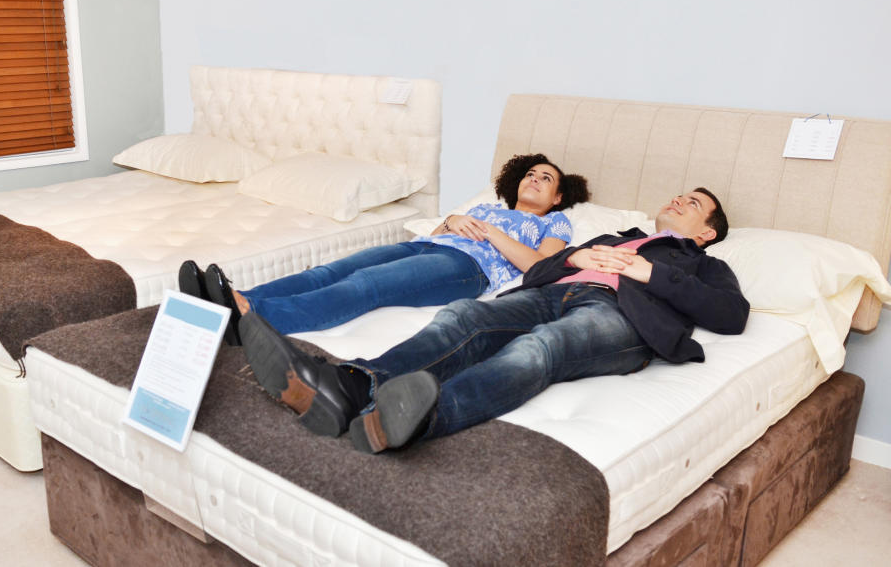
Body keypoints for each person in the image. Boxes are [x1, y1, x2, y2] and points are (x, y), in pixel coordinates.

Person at [238, 187, 750, 453]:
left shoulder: (704, 265)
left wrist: (649, 272)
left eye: (694, 205)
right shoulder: (611, 238)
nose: (679, 201)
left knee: (538, 350)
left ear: (706, 233)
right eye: (679, 195)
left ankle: (417, 420)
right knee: (465, 316)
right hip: (558, 292)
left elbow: (732, 316)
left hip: (619, 319)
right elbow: (540, 270)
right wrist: (576, 260)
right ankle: (352, 385)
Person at [179, 153, 589, 344]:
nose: (534, 179)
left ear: (557, 196)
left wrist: (493, 235)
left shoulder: (553, 222)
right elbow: (434, 230)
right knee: (330, 270)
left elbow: (539, 265)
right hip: (427, 244)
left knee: (366, 285)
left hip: (467, 267)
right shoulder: (486, 206)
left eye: (546, 178)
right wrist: (451, 222)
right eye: (530, 174)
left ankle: (256, 319)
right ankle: (231, 299)